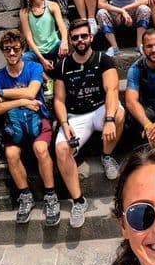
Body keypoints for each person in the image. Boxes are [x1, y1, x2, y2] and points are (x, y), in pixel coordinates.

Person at [52, 19, 125, 228]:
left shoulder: (103, 59)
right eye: (75, 37)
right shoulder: (63, 65)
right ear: (70, 40)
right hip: (76, 116)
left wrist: (109, 119)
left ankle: (107, 155)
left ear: (91, 37)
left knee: (120, 113)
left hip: (100, 108)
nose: (80, 40)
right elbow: (58, 99)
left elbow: (111, 90)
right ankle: (78, 201)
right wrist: (64, 124)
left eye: (84, 36)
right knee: (61, 148)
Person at [0, 29, 58, 225]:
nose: (12, 53)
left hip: (37, 121)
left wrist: (3, 93)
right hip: (15, 124)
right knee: (11, 154)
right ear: (2, 51)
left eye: (16, 49)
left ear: (22, 49)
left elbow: (32, 92)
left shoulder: (34, 68)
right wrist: (20, 103)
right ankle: (25, 196)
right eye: (7, 49)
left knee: (41, 148)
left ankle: (50, 195)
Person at [19, 0, 69, 72]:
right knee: (24, 59)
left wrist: (64, 42)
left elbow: (62, 26)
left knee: (67, 52)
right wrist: (42, 59)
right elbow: (28, 38)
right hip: (37, 51)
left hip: (54, 46)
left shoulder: (52, 5)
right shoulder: (24, 12)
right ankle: (47, 80)